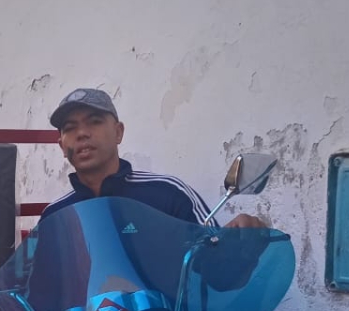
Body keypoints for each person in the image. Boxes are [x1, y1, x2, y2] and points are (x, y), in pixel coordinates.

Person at [42, 87, 263, 228]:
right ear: (62, 146)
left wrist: (240, 245)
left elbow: (215, 267)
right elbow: (35, 283)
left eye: (94, 122)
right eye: (70, 127)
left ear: (118, 132)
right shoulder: (54, 216)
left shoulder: (168, 195)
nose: (82, 133)